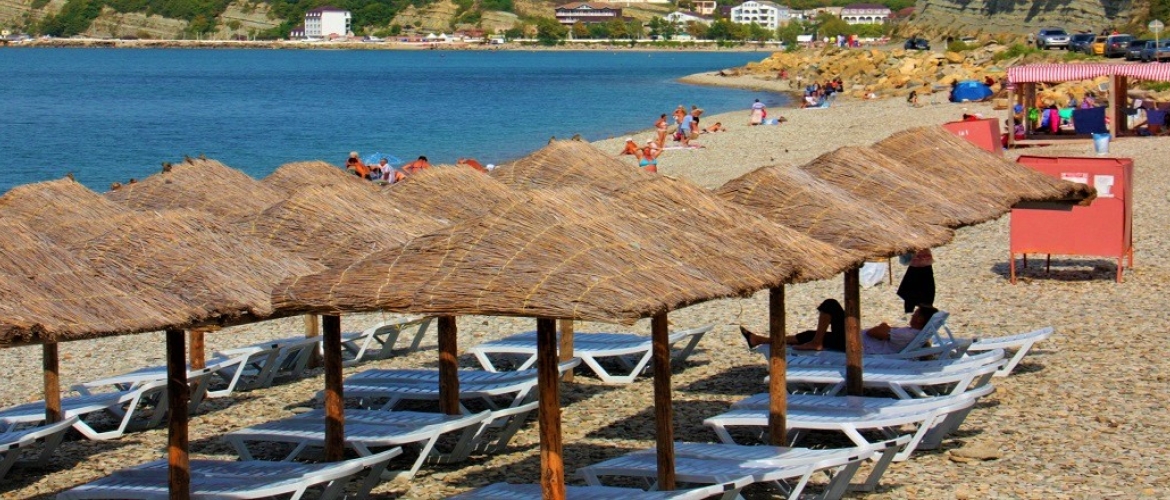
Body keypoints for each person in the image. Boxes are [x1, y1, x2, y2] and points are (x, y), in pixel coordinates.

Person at [739, 299, 939, 355]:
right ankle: (759, 339)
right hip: (857, 341)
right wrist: (885, 328)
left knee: (831, 306)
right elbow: (880, 332)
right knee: (811, 333)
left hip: (856, 346)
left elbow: (874, 331)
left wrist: (884, 326)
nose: (913, 314)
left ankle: (816, 343)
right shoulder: (913, 333)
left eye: (917, 313)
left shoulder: (910, 334)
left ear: (921, 320)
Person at [897, 249, 935, 314]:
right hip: (923, 264)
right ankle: (921, 311)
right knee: (924, 291)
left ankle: (911, 310)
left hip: (918, 266)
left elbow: (904, 261)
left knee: (911, 291)